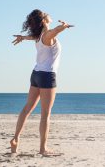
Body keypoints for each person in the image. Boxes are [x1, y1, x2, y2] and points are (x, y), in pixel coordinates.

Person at [10, 9, 73, 156]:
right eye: (46, 14)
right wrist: (64, 26)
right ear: (44, 21)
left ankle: (15, 139)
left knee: (27, 109)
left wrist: (24, 38)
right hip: (47, 76)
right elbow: (55, 31)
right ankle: (43, 149)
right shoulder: (47, 34)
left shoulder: (39, 37)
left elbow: (35, 37)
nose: (50, 14)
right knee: (45, 114)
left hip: (36, 74)